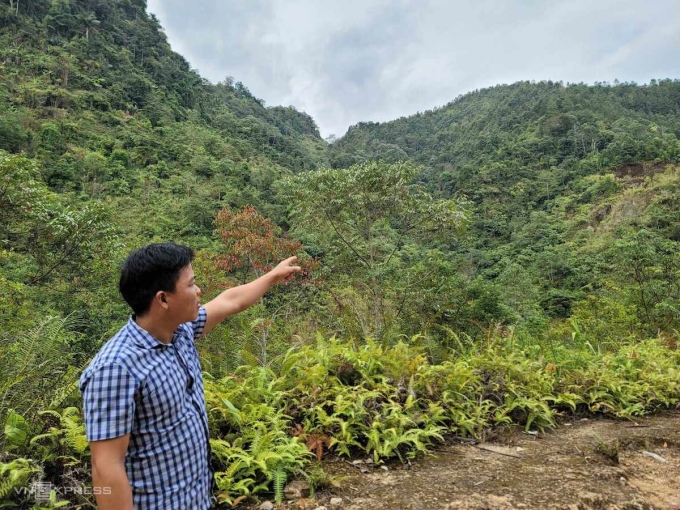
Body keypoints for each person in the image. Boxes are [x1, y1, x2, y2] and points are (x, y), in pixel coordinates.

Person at [78, 243, 300, 509]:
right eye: (191, 285)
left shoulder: (179, 331)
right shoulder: (116, 368)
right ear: (163, 299)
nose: (199, 291)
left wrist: (272, 276)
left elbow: (230, 301)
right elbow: (106, 468)